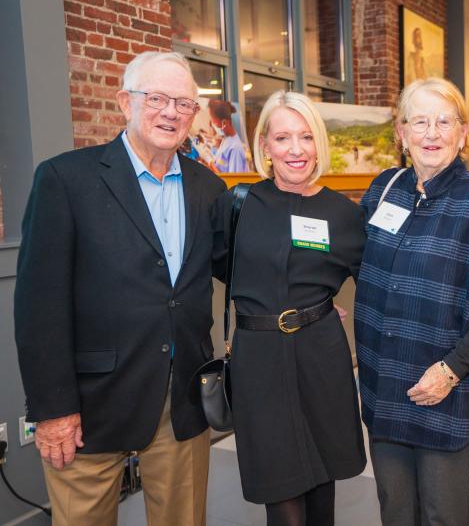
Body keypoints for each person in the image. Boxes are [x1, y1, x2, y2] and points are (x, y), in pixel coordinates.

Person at [14, 51, 226, 525]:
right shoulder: (65, 179)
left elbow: (241, 268)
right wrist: (53, 410)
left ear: (195, 114)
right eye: (156, 99)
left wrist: (306, 295)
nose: (170, 112)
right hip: (90, 405)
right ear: (123, 102)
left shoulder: (208, 190)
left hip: (182, 396)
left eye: (183, 103)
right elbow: (38, 306)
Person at [355, 77, 469, 526]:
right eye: (419, 121)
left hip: (445, 390)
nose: (431, 134)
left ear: (463, 134)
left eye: (444, 121)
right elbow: (357, 260)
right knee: (395, 510)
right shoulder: (384, 188)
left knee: (443, 514)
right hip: (385, 380)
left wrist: (452, 369)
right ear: (401, 133)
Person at [212, 91, 366, 526]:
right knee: (278, 484)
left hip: (321, 355)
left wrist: (315, 304)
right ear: (264, 145)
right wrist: (274, 300)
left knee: (322, 482)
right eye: (282, 138)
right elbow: (225, 266)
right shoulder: (238, 204)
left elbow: (372, 285)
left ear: (319, 143)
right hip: (258, 359)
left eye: (305, 137)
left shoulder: (343, 214)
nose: (295, 150)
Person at [208, 98, 250, 173]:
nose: (212, 125)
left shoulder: (235, 149)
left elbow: (233, 181)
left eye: (213, 122)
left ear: (224, 123)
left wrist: (211, 164)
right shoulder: (226, 140)